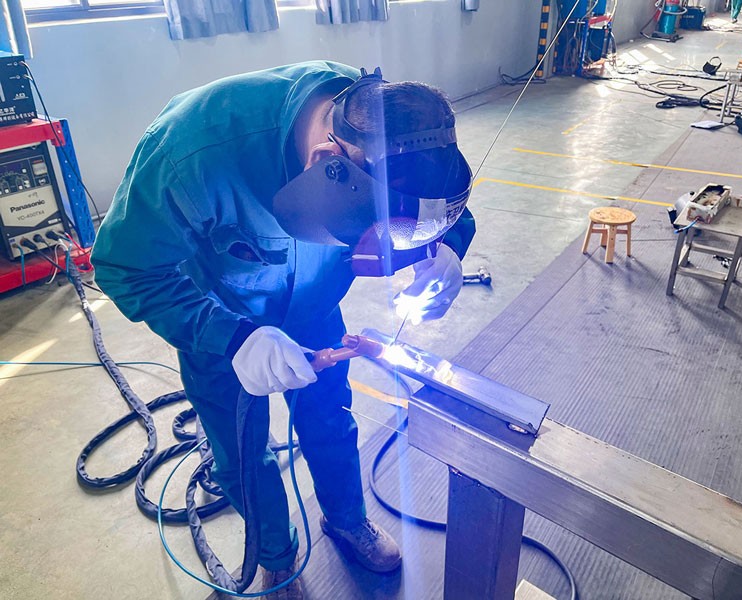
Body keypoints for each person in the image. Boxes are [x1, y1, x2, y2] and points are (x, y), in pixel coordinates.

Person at [91, 61, 475, 599]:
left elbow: (439, 207)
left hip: (315, 311)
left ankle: (347, 520)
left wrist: (446, 250)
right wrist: (233, 338)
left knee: (330, 420)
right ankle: (276, 556)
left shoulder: (397, 127)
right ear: (324, 166)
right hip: (220, 326)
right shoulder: (190, 155)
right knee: (241, 452)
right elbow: (125, 267)